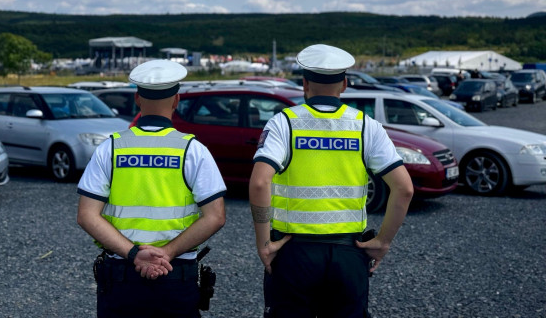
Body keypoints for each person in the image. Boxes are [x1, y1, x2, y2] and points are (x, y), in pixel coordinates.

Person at [249, 44, 414, 318]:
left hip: (293, 253)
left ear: (304, 84)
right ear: (345, 84)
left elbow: (258, 184)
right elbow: (404, 189)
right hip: (348, 254)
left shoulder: (284, 123)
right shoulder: (365, 125)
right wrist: (383, 241)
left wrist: (264, 243)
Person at [77, 59, 227, 318]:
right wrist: (167, 253)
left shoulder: (111, 148)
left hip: (121, 276)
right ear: (176, 100)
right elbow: (215, 217)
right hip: (176, 275)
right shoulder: (193, 150)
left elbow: (87, 215)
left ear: (137, 99)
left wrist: (135, 254)